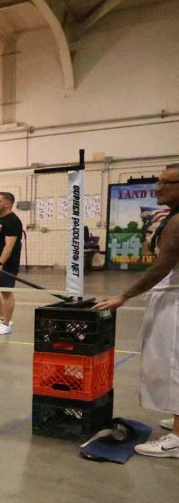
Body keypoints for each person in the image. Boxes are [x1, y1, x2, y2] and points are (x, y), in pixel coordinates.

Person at [95, 166, 179, 458]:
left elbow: (162, 266)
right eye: (158, 181)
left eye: (166, 183)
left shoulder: (177, 221)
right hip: (171, 297)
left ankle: (177, 439)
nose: (158, 188)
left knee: (173, 364)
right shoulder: (170, 217)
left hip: (175, 302)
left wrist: (124, 295)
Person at [0, 192, 24, 335]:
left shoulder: (13, 221)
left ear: (7, 204)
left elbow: (9, 245)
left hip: (6, 265)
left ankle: (6, 325)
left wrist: (0, 264)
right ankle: (3, 319)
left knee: (6, 292)